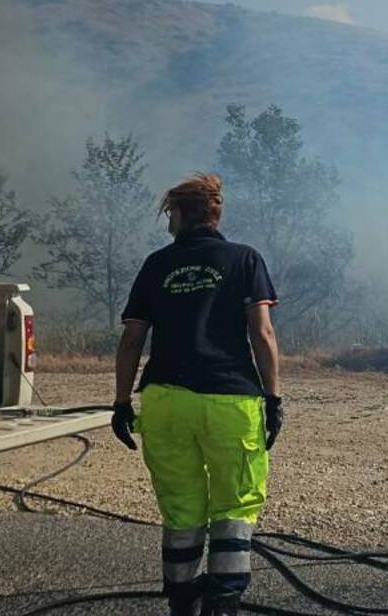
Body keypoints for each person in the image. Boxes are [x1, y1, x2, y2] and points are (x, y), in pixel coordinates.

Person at [111, 173, 283, 616]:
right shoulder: (245, 259)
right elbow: (262, 334)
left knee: (181, 510)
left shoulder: (155, 264)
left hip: (166, 401)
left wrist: (121, 402)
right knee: (233, 506)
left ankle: (183, 606)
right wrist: (273, 398)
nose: (168, 220)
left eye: (170, 212)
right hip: (230, 400)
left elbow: (132, 340)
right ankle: (222, 606)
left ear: (183, 212)